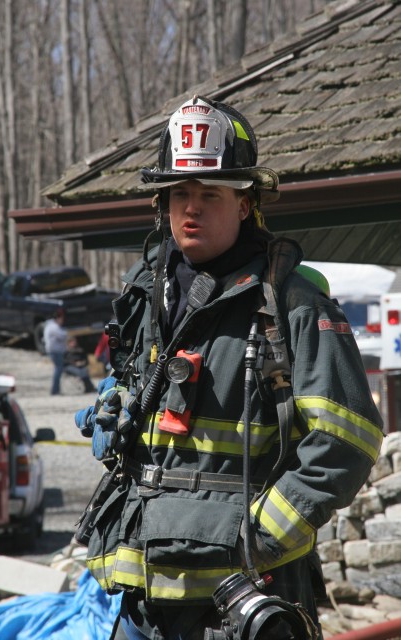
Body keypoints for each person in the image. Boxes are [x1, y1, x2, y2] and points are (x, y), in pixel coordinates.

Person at [75, 96, 383, 640]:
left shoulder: (292, 304)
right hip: (143, 601)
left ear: (245, 204)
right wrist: (116, 408)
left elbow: (347, 440)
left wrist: (258, 536)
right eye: (180, 193)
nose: (190, 208)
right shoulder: (145, 295)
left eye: (209, 194)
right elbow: (139, 398)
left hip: (239, 601)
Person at [43, 308, 67, 395]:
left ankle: (56, 389)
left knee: (58, 370)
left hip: (55, 350)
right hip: (55, 351)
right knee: (58, 369)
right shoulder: (53, 326)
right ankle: (55, 390)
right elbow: (63, 335)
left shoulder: (51, 325)